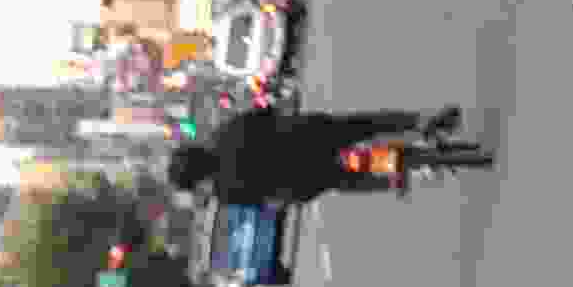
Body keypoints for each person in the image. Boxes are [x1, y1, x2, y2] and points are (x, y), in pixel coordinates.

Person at [172, 98, 472, 209]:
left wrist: (282, 197)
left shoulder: (226, 191)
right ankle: (421, 122)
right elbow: (267, 113)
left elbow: (268, 203)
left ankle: (403, 177)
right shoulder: (226, 133)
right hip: (310, 133)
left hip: (306, 179)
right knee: (367, 125)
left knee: (347, 181)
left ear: (197, 180)